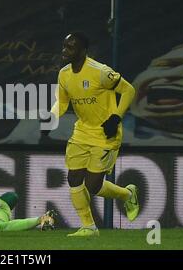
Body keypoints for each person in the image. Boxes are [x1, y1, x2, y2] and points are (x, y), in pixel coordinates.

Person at [46, 32, 139, 237]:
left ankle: (127, 194)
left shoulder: (100, 72)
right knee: (73, 177)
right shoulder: (64, 74)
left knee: (94, 185)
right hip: (82, 131)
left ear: (83, 51)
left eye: (70, 47)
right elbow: (62, 102)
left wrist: (115, 118)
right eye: (64, 46)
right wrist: (51, 117)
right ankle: (89, 227)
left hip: (105, 134)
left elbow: (129, 90)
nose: (64, 51)